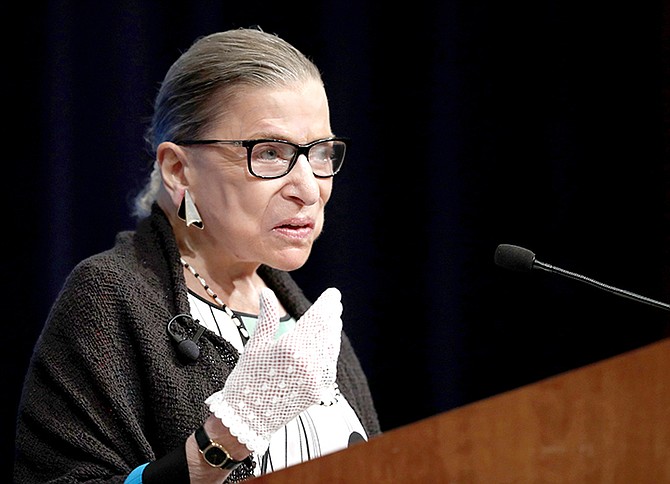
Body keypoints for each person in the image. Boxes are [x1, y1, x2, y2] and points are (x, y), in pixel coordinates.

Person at [14, 27, 380, 483]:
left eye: (320, 153)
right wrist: (220, 443)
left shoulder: (307, 322)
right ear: (177, 169)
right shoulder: (112, 298)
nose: (309, 189)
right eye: (269, 152)